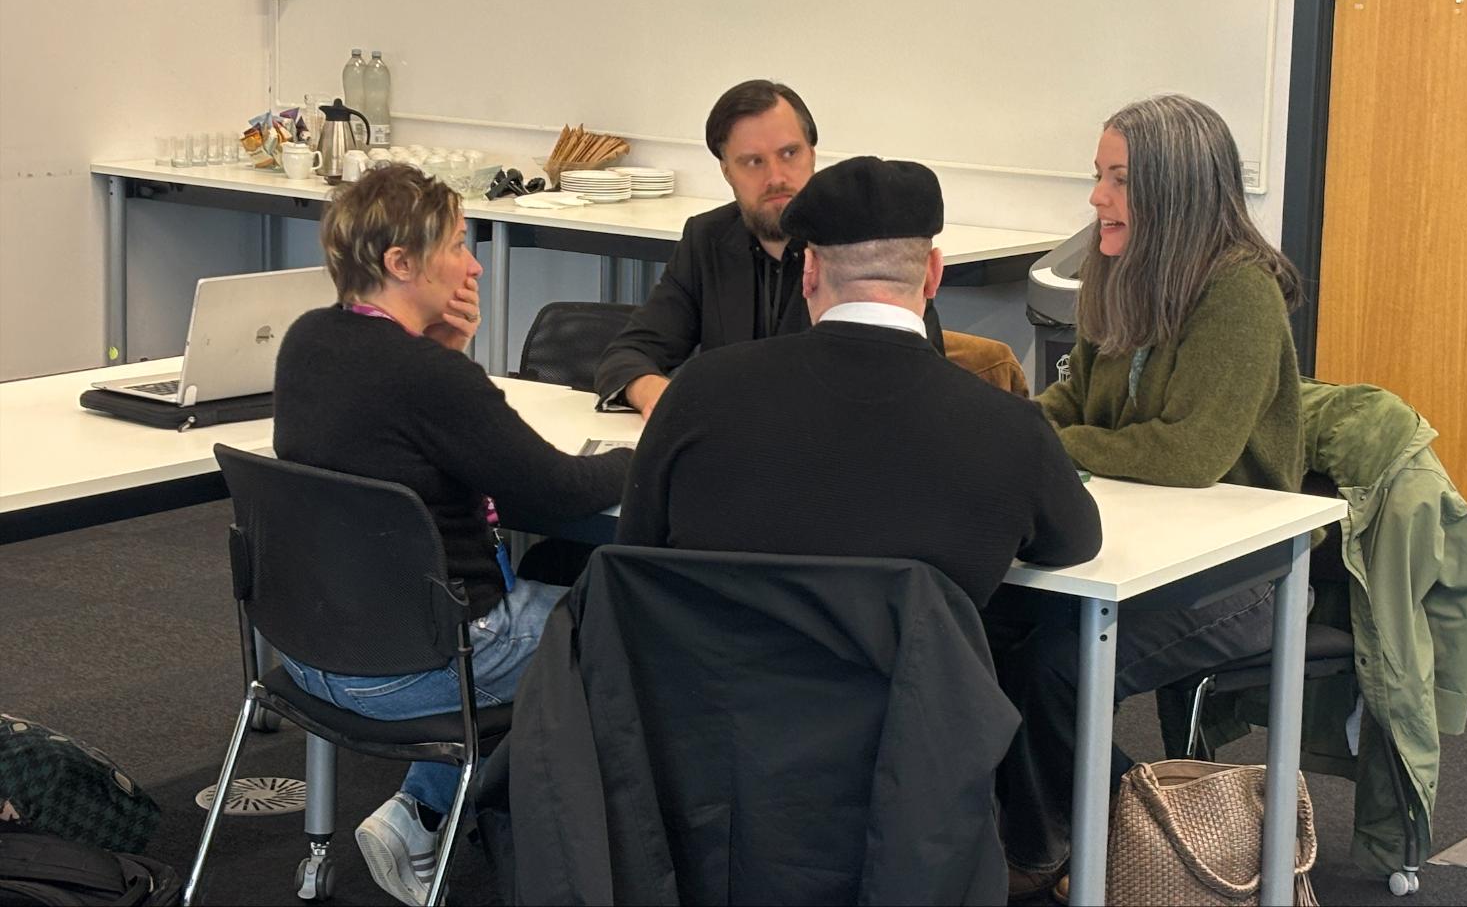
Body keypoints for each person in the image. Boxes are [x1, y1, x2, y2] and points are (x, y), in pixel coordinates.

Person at [272, 164, 631, 907]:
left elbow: (411, 440)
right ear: (401, 263)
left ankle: (421, 812)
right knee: (633, 625)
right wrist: (643, 455)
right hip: (420, 662)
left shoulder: (308, 341)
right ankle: (598, 863)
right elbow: (556, 490)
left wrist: (444, 349)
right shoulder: (425, 376)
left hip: (309, 648)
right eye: (459, 245)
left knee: (549, 586)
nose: (474, 266)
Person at [997, 94, 1305, 902]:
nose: (1097, 196)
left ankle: (1060, 843)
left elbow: (1186, 453)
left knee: (1059, 666)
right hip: (1136, 548)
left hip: (1243, 573)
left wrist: (1049, 444)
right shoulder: (1117, 271)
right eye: (1098, 176)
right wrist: (1018, 431)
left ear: (1174, 190)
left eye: (1119, 180)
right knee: (974, 625)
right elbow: (1072, 405)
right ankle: (1092, 827)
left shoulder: (1239, 293)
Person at [617, 154, 1101, 609]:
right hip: (906, 674)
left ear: (808, 272)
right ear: (933, 275)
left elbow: (635, 550)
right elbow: (1074, 544)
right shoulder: (1009, 429)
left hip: (706, 670)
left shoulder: (702, 390)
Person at [593, 79, 944, 418]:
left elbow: (916, 373)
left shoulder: (858, 242)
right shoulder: (707, 238)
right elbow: (629, 353)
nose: (776, 177)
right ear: (727, 171)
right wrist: (654, 393)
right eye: (753, 161)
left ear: (812, 155)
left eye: (789, 153)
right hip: (727, 443)